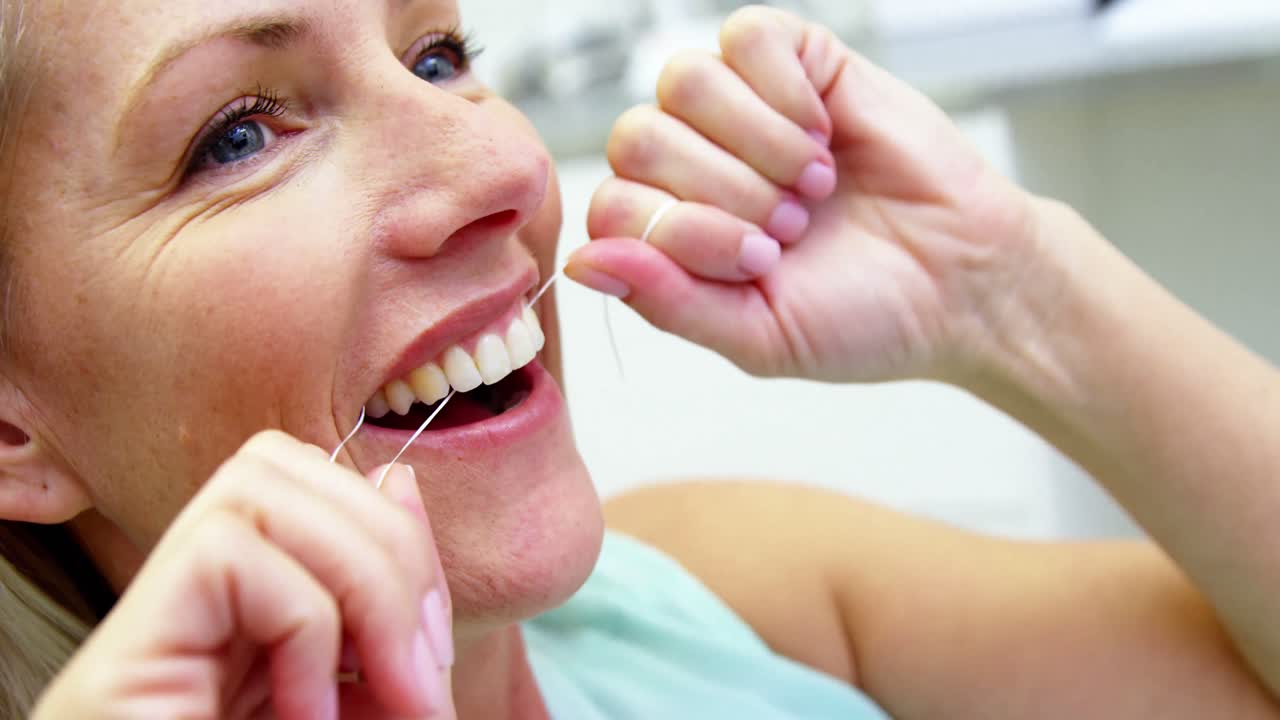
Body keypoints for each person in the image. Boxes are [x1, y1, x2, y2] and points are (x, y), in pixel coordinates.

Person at [1, 0, 1277, 717]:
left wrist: (1016, 299)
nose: (497, 168)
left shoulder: (721, 596)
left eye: (437, 56)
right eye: (236, 137)